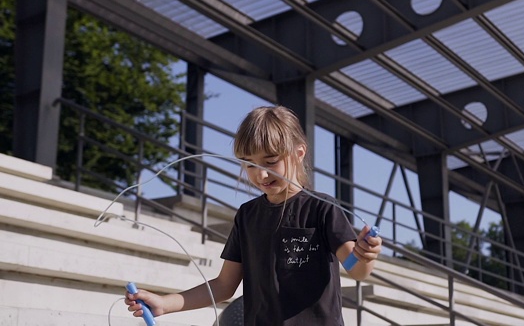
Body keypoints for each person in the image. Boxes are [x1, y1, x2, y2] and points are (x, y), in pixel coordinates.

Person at [125, 105, 383, 325]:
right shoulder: (247, 215)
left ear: (298, 153)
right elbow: (224, 286)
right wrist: (163, 303)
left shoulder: (323, 208)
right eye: (249, 164)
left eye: (270, 162)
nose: (261, 175)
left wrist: (365, 256)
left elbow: (356, 269)